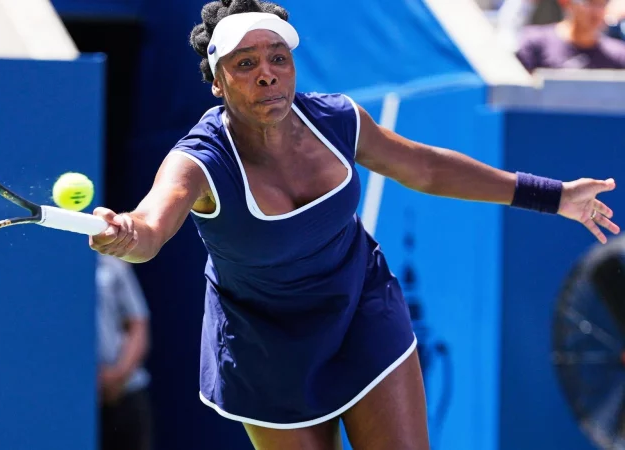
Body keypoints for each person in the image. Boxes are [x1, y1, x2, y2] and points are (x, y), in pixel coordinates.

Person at [88, 1, 620, 448]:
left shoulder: (338, 119)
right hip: (263, 344)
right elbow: (150, 228)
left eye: (278, 57)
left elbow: (427, 168)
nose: (267, 72)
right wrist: (128, 233)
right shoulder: (198, 160)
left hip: (361, 307)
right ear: (218, 83)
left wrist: (555, 196)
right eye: (245, 63)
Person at [95, 254, 153, 450]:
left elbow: (138, 324)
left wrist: (117, 376)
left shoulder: (111, 262)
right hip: (76, 400)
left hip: (125, 393)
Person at [516, 0, 625, 71]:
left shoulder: (619, 55)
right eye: (589, 3)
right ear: (566, 3)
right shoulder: (534, 42)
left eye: (602, 4)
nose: (596, 12)